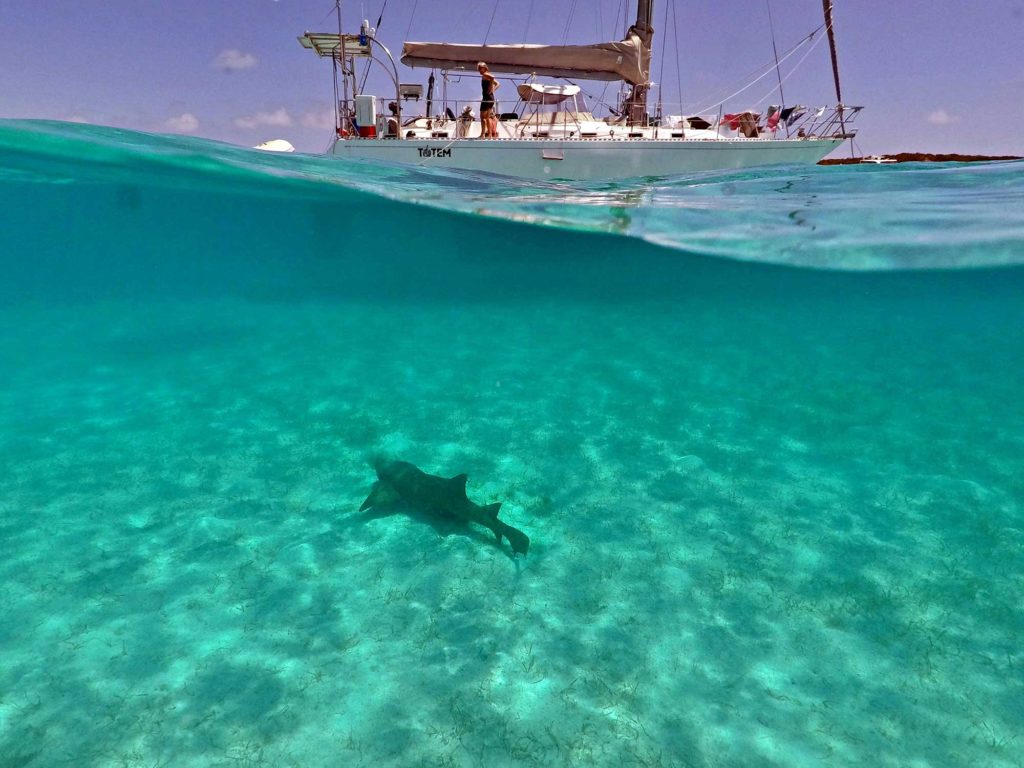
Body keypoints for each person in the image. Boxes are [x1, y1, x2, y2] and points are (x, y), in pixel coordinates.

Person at [477, 62, 499, 138]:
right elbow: (498, 84)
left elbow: (493, 77)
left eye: (480, 68)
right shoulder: (487, 75)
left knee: (482, 117)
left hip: (486, 98)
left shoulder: (485, 75)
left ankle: (482, 134)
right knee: (487, 117)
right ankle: (490, 135)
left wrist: (490, 87)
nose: (479, 70)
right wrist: (492, 90)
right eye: (478, 69)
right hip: (491, 98)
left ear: (485, 68)